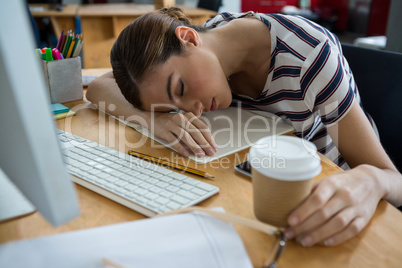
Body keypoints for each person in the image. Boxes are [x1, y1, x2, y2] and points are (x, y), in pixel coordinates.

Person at [87, 7, 402, 247]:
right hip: (253, 188)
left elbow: (393, 179)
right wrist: (154, 118)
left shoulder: (309, 59)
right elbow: (100, 86)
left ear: (189, 38)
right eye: (173, 107)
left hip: (331, 204)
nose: (191, 111)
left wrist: (373, 181)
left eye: (180, 89)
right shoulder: (213, 43)